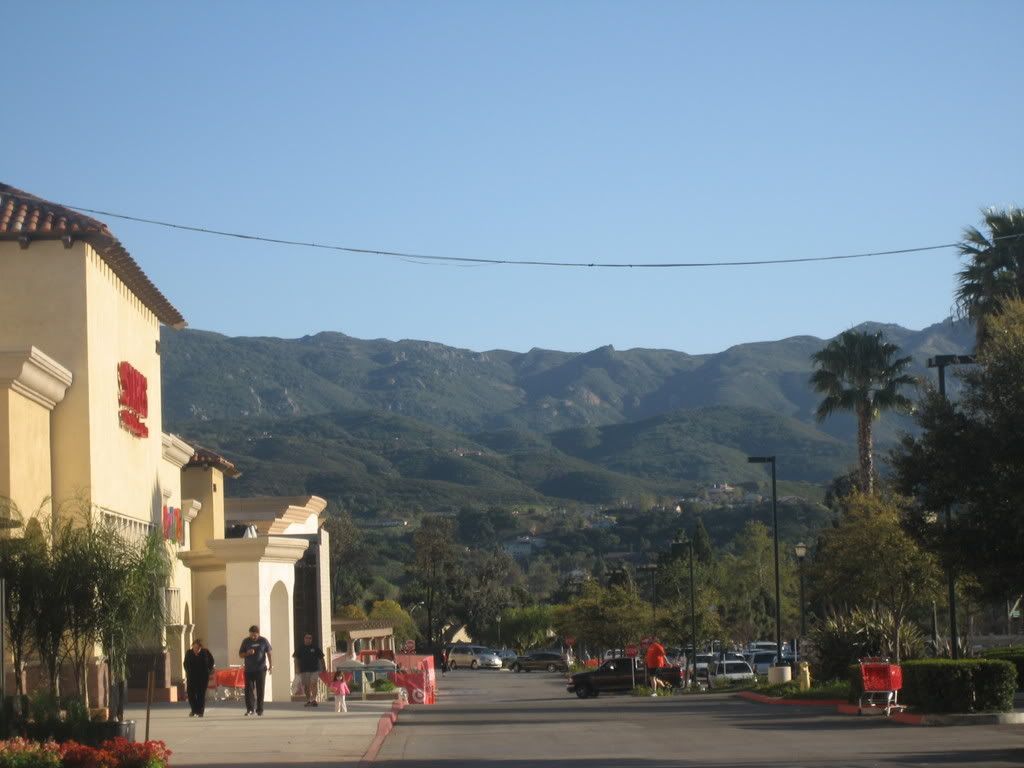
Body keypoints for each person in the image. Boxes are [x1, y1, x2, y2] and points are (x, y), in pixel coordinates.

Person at [238, 624, 273, 716]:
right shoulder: (246, 641)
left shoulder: (263, 641)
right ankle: (250, 709)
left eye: (254, 635)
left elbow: (269, 653)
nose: (252, 637)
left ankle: (260, 709)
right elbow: (240, 654)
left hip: (261, 669)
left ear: (258, 634)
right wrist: (247, 653)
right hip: (249, 670)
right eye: (251, 635)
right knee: (248, 689)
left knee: (260, 689)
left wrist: (270, 666)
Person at [183, 638, 215, 717]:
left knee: (201, 694)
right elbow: (185, 663)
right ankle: (194, 710)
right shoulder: (189, 653)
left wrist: (209, 670)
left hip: (203, 677)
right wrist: (188, 672)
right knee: (191, 694)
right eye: (194, 647)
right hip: (191, 677)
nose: (195, 649)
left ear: (200, 647)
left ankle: (200, 711)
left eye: (197, 648)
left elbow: (211, 661)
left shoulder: (205, 652)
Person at [292, 632, 326, 706]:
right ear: (304, 639)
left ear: (311, 639)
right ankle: (308, 700)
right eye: (307, 638)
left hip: (314, 670)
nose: (308, 639)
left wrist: (324, 668)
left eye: (310, 638)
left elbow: (321, 658)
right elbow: (296, 659)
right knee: (306, 686)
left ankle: (314, 699)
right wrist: (297, 668)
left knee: (314, 684)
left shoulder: (315, 648)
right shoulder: (300, 648)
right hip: (303, 670)